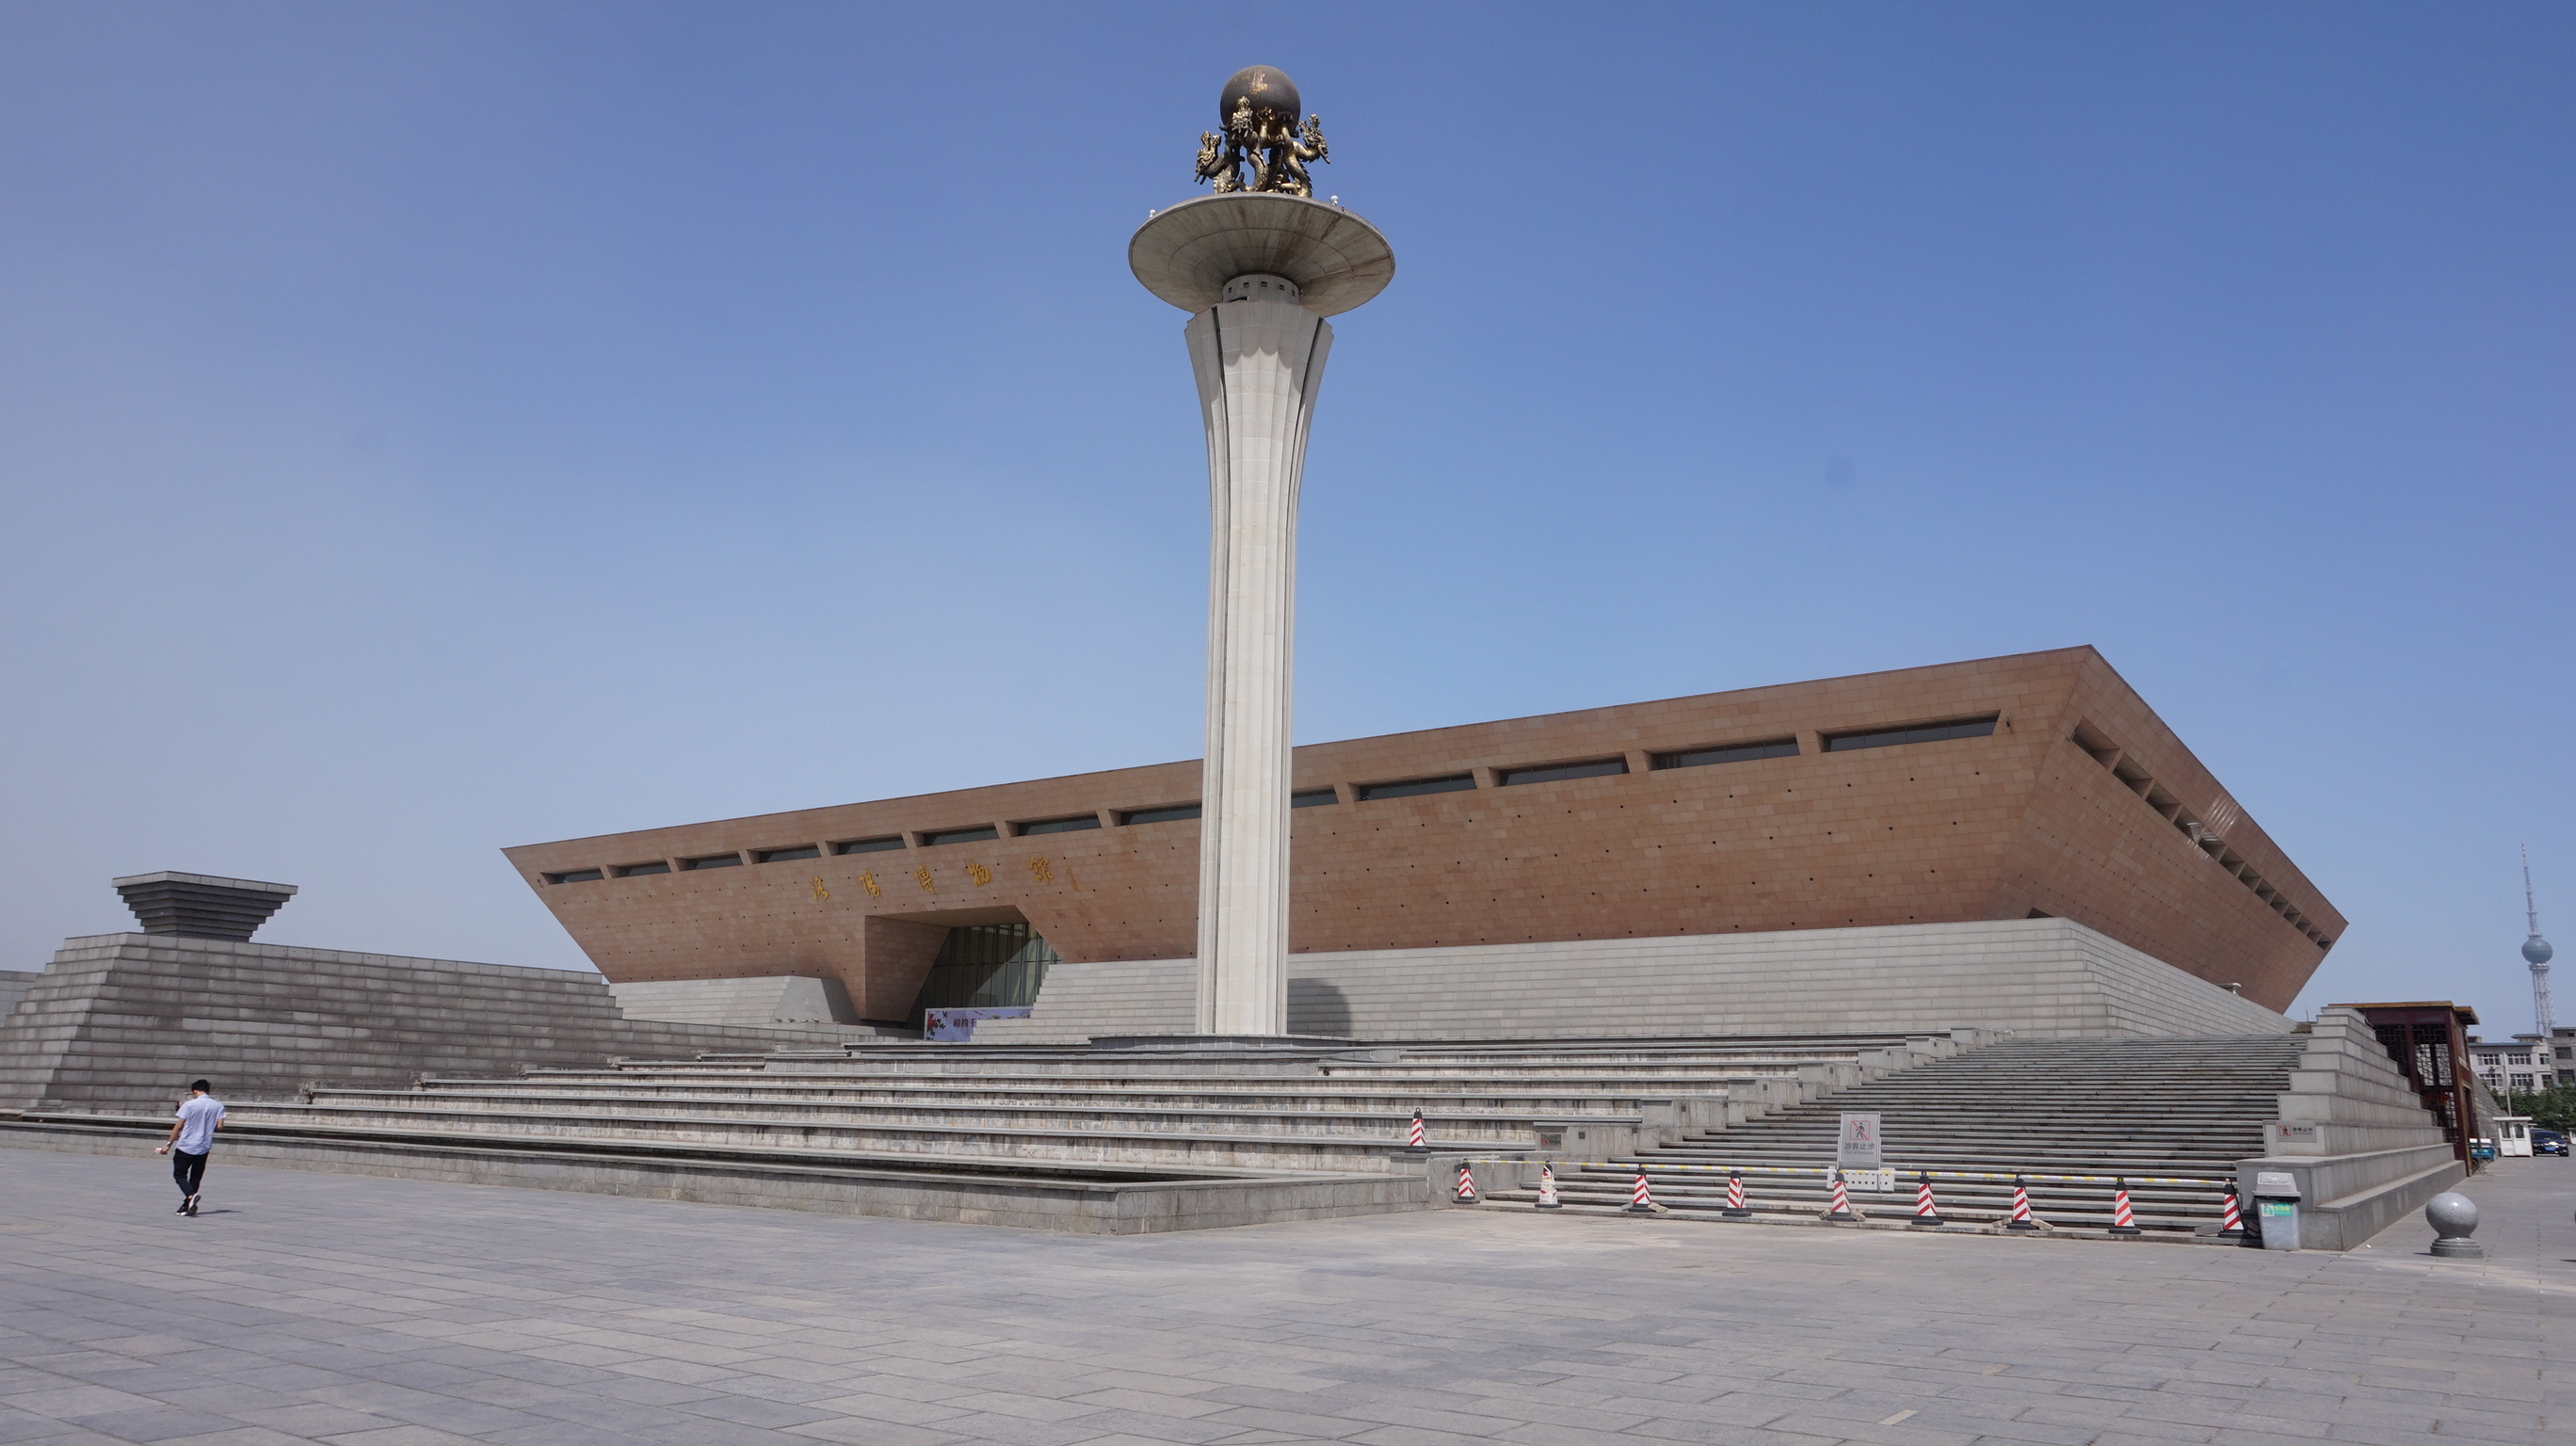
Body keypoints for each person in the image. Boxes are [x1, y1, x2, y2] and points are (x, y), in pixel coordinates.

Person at [153, 1080, 224, 1216]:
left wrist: (168, 1145)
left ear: (195, 1091)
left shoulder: (190, 1104)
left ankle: (190, 1196)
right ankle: (186, 1206)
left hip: (186, 1145)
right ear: (208, 1090)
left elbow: (179, 1126)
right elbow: (220, 1126)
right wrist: (207, 1126)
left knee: (179, 1175)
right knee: (196, 1177)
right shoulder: (218, 1106)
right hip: (204, 1146)